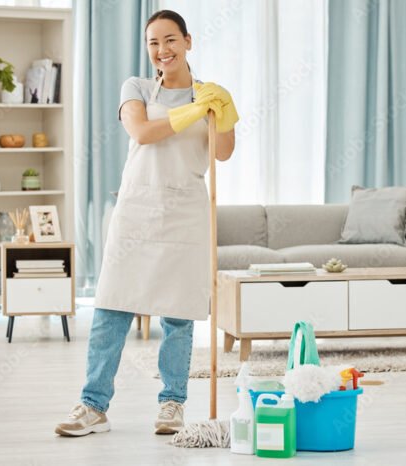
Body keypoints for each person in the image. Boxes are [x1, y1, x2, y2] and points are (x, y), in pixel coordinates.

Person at [55, 9, 237, 437]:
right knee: (111, 309)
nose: (162, 50)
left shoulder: (207, 94)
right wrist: (191, 113)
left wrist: (224, 112)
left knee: (178, 315)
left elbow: (223, 153)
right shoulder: (136, 87)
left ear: (188, 41)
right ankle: (93, 406)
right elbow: (141, 131)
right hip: (137, 209)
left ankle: (172, 404)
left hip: (185, 214)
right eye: (153, 42)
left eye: (170, 40)